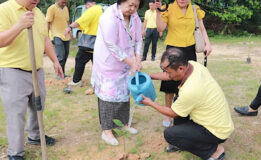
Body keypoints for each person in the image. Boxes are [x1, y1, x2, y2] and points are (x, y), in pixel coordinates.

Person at [141, 48, 234, 160]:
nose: (166, 74)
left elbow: (172, 113)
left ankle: (215, 151)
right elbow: (168, 76)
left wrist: (151, 103)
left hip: (216, 131)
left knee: (170, 134)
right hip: (217, 122)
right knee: (178, 100)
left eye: (168, 71)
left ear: (180, 68)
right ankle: (182, 141)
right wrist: (148, 76)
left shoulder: (191, 89)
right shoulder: (192, 65)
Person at [0, 0, 64, 159]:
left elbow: (45, 39)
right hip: (12, 70)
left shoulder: (38, 12)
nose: (37, 0)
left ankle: (35, 136)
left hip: (37, 70)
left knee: (38, 105)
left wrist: (55, 61)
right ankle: (15, 153)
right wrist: (20, 25)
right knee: (16, 113)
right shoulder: (4, 10)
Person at [91, 0, 144, 146]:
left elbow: (139, 39)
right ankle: (107, 131)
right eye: (130, 5)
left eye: (136, 6)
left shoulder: (135, 17)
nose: (132, 9)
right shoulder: (109, 17)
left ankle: (122, 125)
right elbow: (111, 45)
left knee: (123, 94)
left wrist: (138, 59)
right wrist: (132, 62)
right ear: (121, 2)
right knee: (108, 96)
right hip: (108, 63)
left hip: (125, 63)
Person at [155, 0, 212, 128]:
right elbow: (160, 28)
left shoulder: (195, 8)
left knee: (189, 83)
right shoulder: (167, 8)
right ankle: (168, 113)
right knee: (169, 84)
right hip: (173, 50)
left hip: (189, 51)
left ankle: (185, 112)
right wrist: (159, 12)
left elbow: (201, 28)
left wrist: (207, 43)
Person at [65, 0, 102, 92]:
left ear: (88, 4)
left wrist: (69, 27)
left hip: (89, 42)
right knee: (97, 63)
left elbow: (81, 20)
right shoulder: (101, 9)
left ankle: (77, 80)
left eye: (86, 7)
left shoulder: (92, 10)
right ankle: (100, 82)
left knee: (79, 60)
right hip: (99, 42)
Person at [46, 0, 71, 78]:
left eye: (65, 2)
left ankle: (62, 73)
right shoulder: (51, 8)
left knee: (65, 55)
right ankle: (59, 75)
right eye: (63, 2)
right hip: (56, 35)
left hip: (66, 35)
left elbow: (67, 21)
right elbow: (48, 22)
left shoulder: (66, 8)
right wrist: (46, 35)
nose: (64, 4)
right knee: (60, 56)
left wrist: (70, 32)